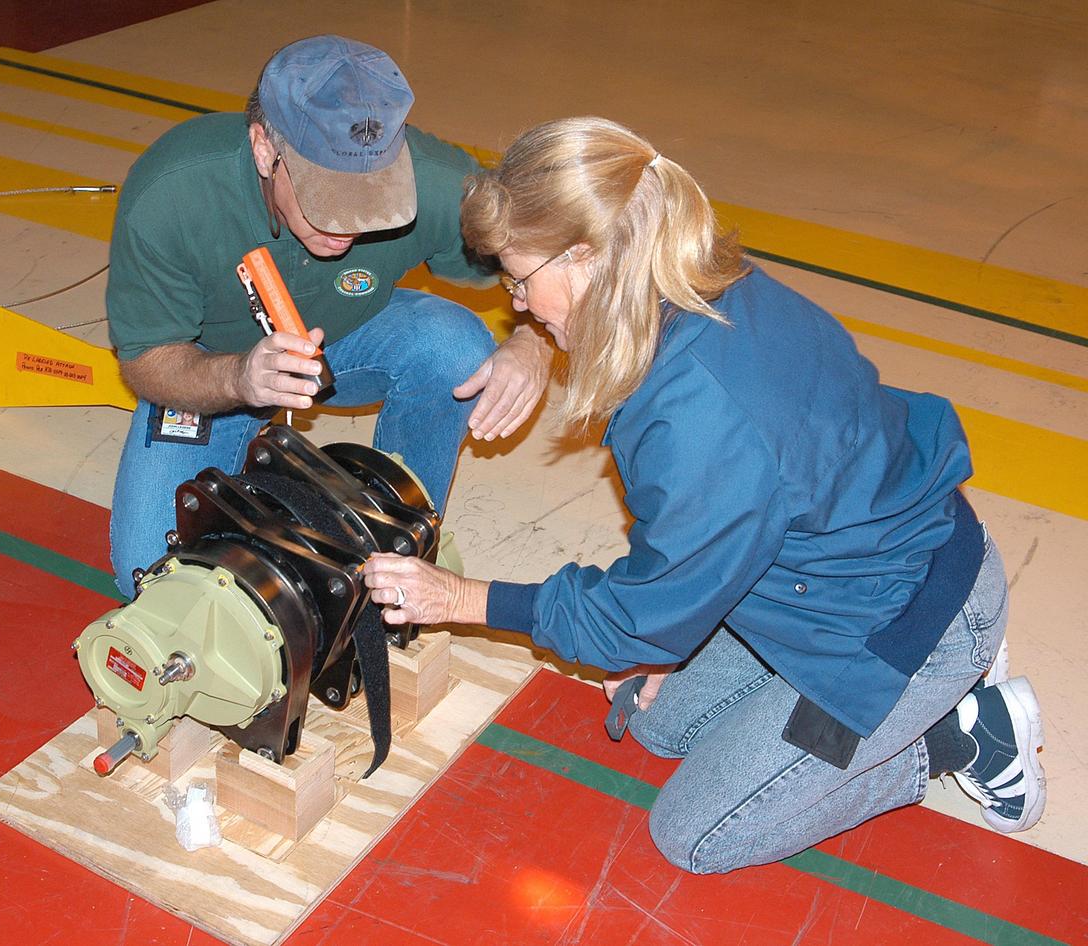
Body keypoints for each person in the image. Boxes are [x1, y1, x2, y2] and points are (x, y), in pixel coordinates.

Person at [364, 117, 1047, 873]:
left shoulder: (695, 410)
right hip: (815, 577)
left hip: (901, 623)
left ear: (588, 260)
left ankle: (964, 729)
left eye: (521, 278)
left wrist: (463, 598)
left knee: (698, 834)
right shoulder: (698, 287)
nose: (519, 305)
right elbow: (701, 540)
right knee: (658, 725)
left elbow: (636, 614)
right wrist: (673, 623)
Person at [106, 35, 551, 596]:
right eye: (330, 199)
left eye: (371, 200)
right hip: (212, 370)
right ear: (265, 147)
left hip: (344, 337)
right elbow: (148, 360)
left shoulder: (438, 182)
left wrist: (534, 341)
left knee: (456, 349)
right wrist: (240, 379)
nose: (348, 227)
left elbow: (554, 256)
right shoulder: (174, 192)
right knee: (149, 575)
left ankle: (403, 546)